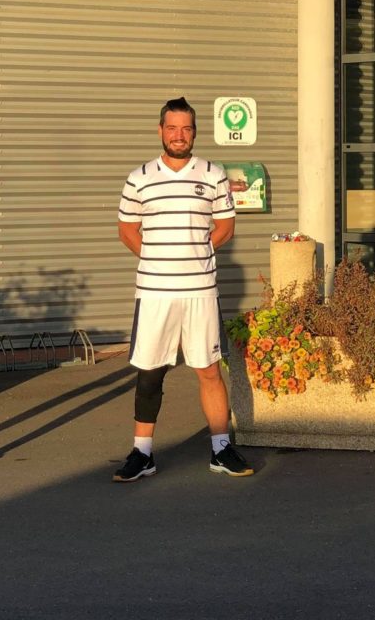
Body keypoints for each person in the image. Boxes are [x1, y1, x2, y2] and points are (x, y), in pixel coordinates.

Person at [111, 97, 253, 481]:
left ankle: (221, 449)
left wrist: (196, 253)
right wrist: (158, 258)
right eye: (172, 128)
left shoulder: (213, 174)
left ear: (194, 132)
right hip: (155, 291)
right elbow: (127, 230)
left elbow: (225, 227)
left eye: (186, 128)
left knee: (208, 369)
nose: (179, 135)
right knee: (150, 372)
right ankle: (142, 454)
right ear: (160, 131)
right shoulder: (139, 177)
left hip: (200, 290)